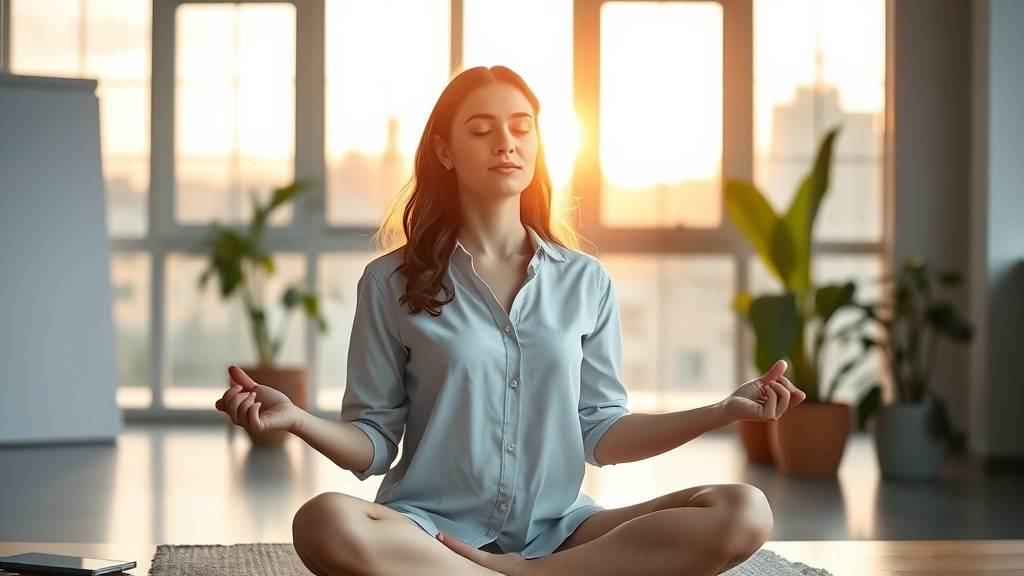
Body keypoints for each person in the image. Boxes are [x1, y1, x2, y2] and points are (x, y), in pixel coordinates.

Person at [216, 65, 806, 576]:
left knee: (744, 509)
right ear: (445, 150)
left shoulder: (585, 282)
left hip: (559, 532)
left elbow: (602, 435)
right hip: (429, 533)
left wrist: (724, 411)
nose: (507, 142)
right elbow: (370, 449)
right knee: (323, 522)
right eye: (483, 129)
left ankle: (535, 572)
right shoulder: (388, 282)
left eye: (522, 128)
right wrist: (295, 419)